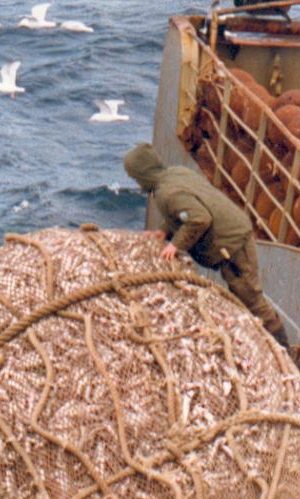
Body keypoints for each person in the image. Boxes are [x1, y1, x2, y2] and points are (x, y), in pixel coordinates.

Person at [123, 143, 289, 347]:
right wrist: (165, 231)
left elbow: (199, 218)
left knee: (250, 297)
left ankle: (283, 350)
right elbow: (185, 208)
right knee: (242, 295)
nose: (135, 181)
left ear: (143, 173)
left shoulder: (166, 193)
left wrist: (175, 244)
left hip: (233, 244)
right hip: (234, 234)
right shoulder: (175, 173)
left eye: (135, 176)